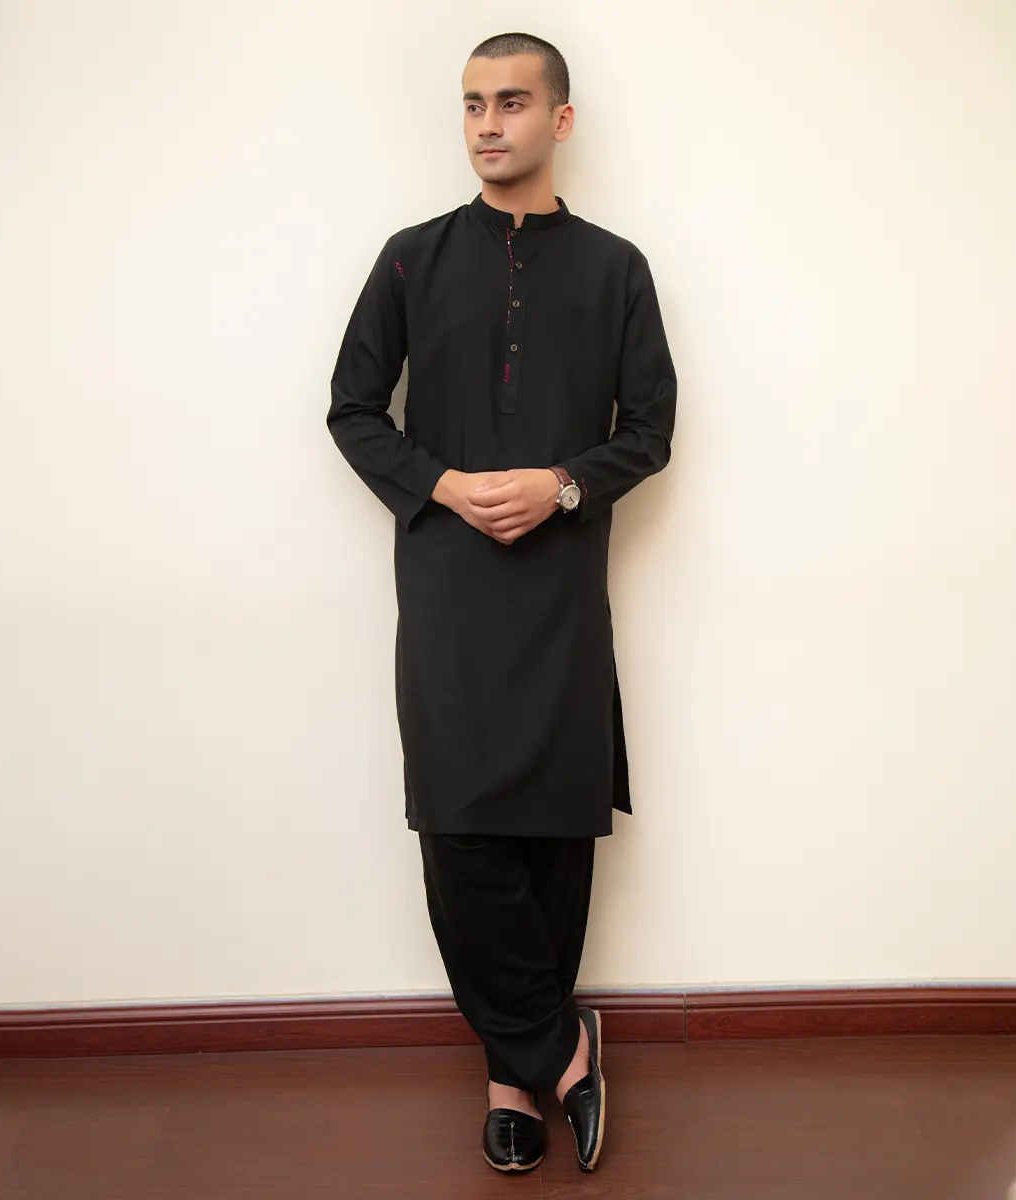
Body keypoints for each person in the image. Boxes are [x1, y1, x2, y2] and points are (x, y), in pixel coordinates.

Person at [326, 31, 677, 1174]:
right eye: (473, 103)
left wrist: (562, 484)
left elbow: (650, 431)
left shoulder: (617, 268)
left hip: (562, 590)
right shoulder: (411, 260)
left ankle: (511, 1074)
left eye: (513, 101)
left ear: (560, 120)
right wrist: (440, 484)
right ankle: (558, 1046)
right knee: (462, 827)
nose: (488, 122)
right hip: (447, 587)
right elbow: (353, 408)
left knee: (553, 830)